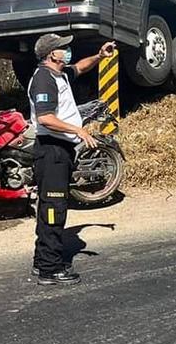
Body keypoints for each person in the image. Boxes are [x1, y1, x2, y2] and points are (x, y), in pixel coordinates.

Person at [27, 33, 117, 285]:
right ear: (51, 54)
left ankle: (41, 261)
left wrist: (100, 55)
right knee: (54, 210)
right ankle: (50, 269)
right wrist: (78, 130)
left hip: (60, 152)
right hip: (51, 151)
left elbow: (80, 67)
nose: (67, 50)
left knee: (50, 209)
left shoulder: (60, 74)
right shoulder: (44, 79)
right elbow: (45, 118)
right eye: (62, 48)